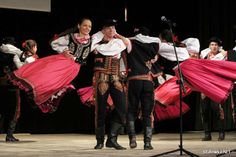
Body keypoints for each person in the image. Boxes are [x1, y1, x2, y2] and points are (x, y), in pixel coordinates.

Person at [7, 18, 93, 114]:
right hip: (63, 62)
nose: (87, 28)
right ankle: (33, 90)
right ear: (79, 26)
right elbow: (53, 43)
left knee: (56, 85)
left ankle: (40, 95)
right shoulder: (71, 37)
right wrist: (64, 51)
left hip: (73, 69)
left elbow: (104, 40)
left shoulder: (91, 41)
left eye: (89, 26)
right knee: (46, 76)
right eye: (85, 25)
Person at [91, 19, 128, 150]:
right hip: (101, 79)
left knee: (122, 108)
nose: (112, 30)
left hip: (116, 79)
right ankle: (100, 140)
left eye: (114, 28)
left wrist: (117, 35)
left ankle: (112, 138)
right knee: (100, 110)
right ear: (104, 30)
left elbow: (128, 44)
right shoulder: (96, 42)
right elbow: (91, 46)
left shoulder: (118, 42)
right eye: (109, 28)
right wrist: (101, 34)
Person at [125, 26, 162, 150]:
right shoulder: (154, 44)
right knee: (147, 113)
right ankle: (147, 143)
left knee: (131, 110)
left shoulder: (131, 42)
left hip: (134, 80)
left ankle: (132, 140)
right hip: (147, 81)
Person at [0, 38, 38, 142]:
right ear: (33, 47)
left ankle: (9, 134)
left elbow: (5, 48)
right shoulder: (25, 57)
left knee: (5, 110)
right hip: (12, 86)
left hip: (6, 84)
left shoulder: (17, 54)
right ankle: (9, 134)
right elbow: (21, 69)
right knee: (15, 110)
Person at [199, 37, 227, 141]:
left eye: (215, 45)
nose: (213, 47)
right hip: (205, 85)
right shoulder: (205, 55)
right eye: (212, 45)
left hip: (217, 85)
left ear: (218, 46)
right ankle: (207, 134)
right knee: (205, 110)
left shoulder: (223, 56)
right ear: (209, 46)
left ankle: (221, 132)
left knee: (217, 109)